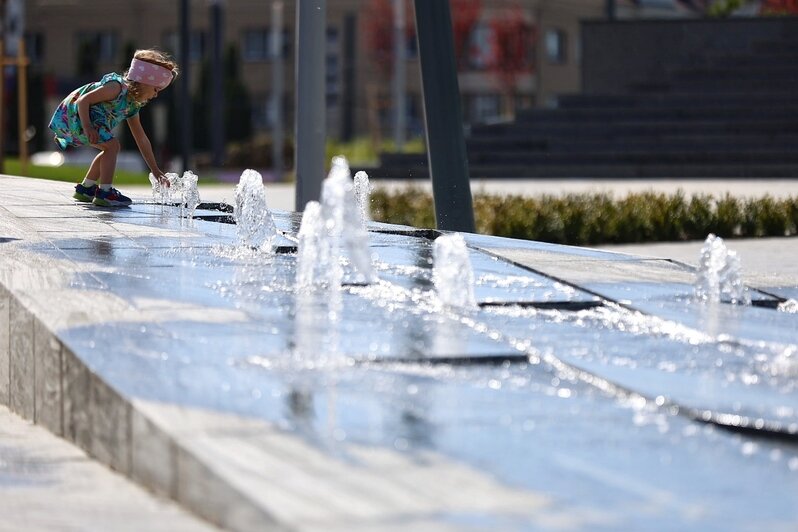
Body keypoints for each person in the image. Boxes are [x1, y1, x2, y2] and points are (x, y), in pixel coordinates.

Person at [49, 48, 178, 207]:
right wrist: (88, 127)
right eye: (156, 89)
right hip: (73, 118)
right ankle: (105, 192)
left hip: (83, 122)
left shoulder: (131, 105)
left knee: (109, 147)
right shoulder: (116, 88)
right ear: (144, 82)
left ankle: (86, 188)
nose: (156, 95)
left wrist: (155, 169)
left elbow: (141, 138)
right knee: (112, 146)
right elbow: (83, 101)